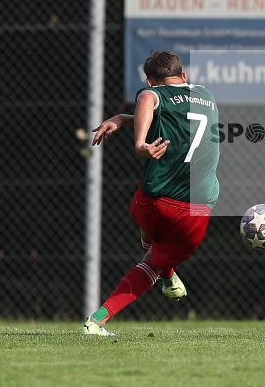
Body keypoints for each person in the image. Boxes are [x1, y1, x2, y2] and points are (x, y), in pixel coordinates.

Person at [84, 50, 220, 336]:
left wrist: (132, 132)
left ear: (150, 81)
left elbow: (150, 100)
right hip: (194, 214)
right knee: (151, 266)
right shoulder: (206, 96)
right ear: (184, 77)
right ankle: (97, 321)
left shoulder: (152, 94)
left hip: (150, 204)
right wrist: (130, 127)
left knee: (153, 238)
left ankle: (167, 273)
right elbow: (159, 105)